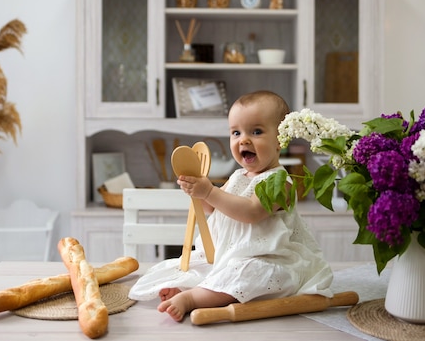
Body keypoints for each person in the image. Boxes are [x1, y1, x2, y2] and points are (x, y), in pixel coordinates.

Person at [128, 90, 334, 322]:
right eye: (236, 132)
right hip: (229, 255)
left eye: (256, 131)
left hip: (266, 259)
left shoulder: (280, 182)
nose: (243, 140)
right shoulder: (237, 177)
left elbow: (251, 212)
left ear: (280, 141)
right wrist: (199, 193)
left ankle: (191, 299)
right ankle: (186, 289)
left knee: (248, 275)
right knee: (201, 267)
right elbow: (214, 210)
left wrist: (209, 191)